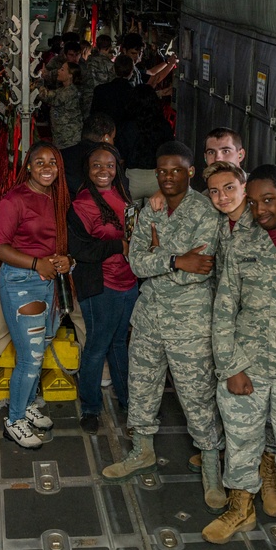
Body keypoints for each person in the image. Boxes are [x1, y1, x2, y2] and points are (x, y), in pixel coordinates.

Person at [100, 141, 226, 509]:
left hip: (189, 324)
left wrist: (162, 258)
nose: (168, 177)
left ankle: (212, 472)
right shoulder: (149, 211)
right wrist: (173, 260)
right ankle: (142, 452)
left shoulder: (206, 212)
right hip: (150, 318)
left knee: (197, 397)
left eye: (176, 170)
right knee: (141, 388)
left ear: (190, 172)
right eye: (162, 171)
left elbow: (201, 269)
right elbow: (136, 263)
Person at [203, 165, 276, 550]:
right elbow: (224, 307)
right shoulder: (242, 241)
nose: (261, 209)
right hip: (247, 362)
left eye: (269, 200)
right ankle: (240, 508)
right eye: (254, 202)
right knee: (241, 442)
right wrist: (231, 365)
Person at [0, 142, 73, 449]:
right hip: (24, 281)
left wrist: (66, 259)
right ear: (29, 167)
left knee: (42, 346)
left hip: (51, 281)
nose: (47, 167)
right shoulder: (15, 200)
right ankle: (14, 420)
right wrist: (37, 263)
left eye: (52, 162)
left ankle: (25, 405)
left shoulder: (58, 196)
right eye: (39, 162)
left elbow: (61, 240)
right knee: (30, 357)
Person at [68, 145, 137, 434]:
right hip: (100, 285)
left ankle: (127, 401)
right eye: (96, 165)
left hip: (129, 281)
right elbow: (79, 249)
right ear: (88, 169)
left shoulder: (124, 194)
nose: (103, 171)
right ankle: (91, 407)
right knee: (96, 346)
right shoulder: (82, 203)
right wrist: (117, 245)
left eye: (109, 165)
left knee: (120, 342)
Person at [118, 85, 175, 200]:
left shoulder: (127, 126)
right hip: (157, 178)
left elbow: (121, 156)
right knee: (156, 215)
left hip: (133, 179)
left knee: (131, 216)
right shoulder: (164, 125)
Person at [62, 112, 117, 195]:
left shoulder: (62, 155)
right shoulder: (110, 160)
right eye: (113, 138)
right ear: (105, 138)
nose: (113, 142)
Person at [36, 61, 82, 149]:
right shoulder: (63, 89)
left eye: (62, 70)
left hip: (69, 138)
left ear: (70, 75)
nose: (58, 71)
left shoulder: (70, 91)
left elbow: (48, 96)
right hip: (62, 136)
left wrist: (39, 80)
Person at [90, 54, 135, 130]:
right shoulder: (134, 94)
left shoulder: (100, 90)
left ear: (114, 69)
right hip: (125, 136)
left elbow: (94, 115)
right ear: (131, 72)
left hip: (104, 132)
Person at [79, 34, 115, 117]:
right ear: (109, 47)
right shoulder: (110, 65)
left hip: (86, 98)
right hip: (102, 101)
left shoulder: (87, 61)